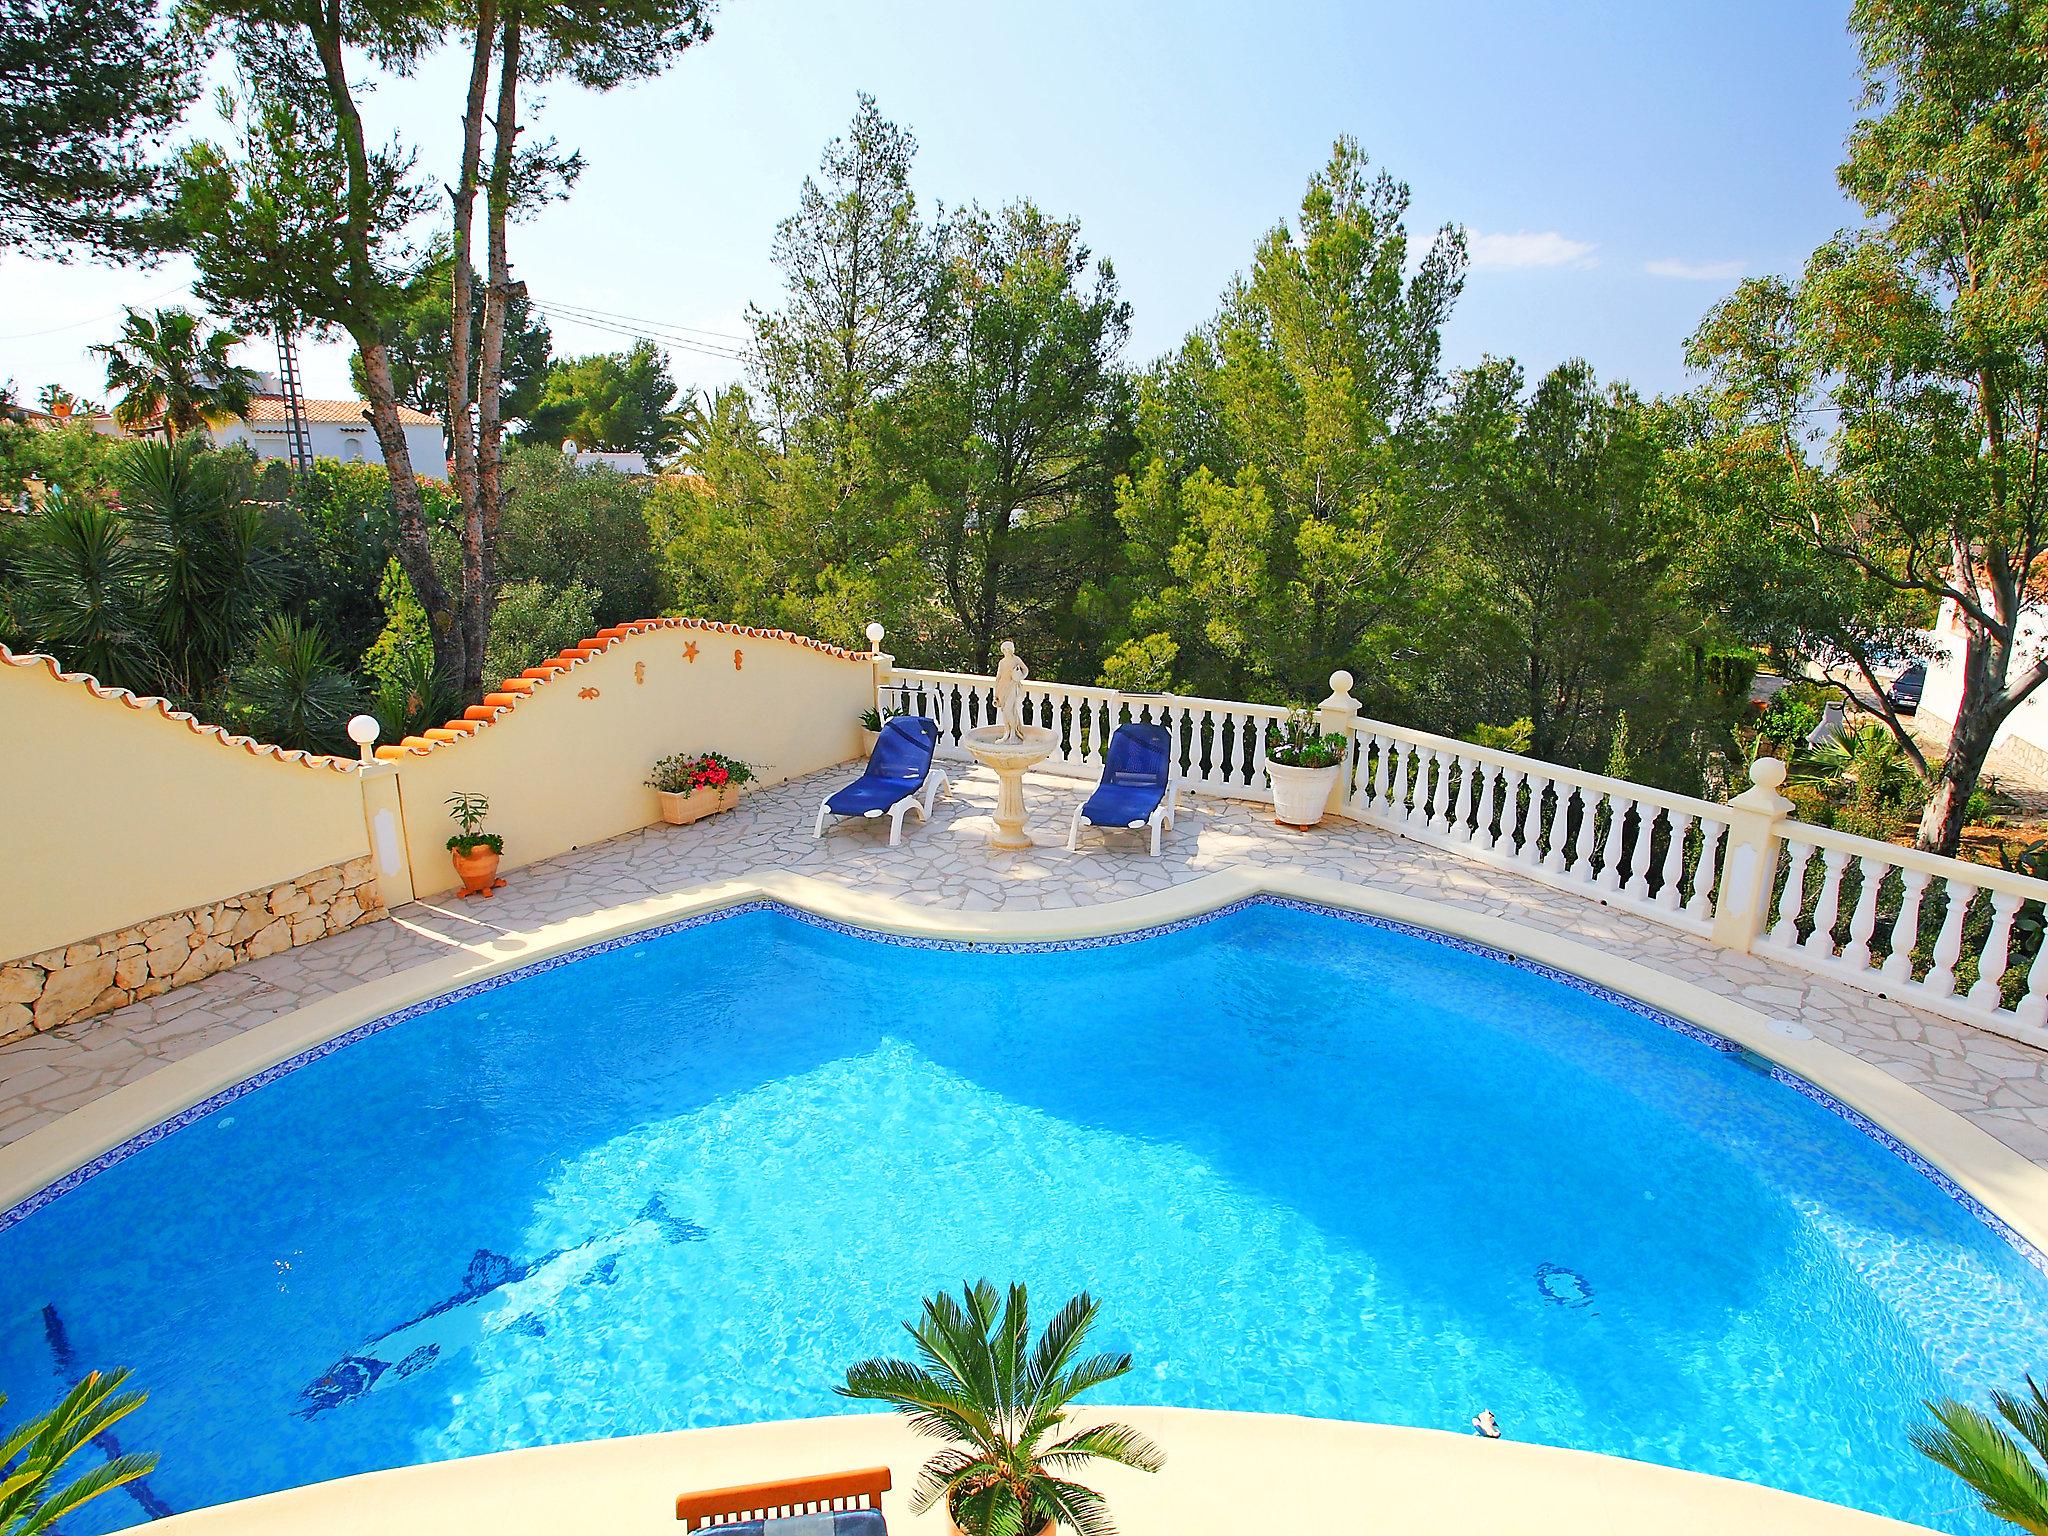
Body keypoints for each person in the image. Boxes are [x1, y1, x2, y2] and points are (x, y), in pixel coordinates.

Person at [992, 640, 1030, 743]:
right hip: (1002, 688)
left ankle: (1014, 732)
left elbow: (1025, 670)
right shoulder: (1002, 662)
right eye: (1004, 649)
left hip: (1012, 687)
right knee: (1004, 712)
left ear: (1011, 650)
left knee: (1009, 710)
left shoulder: (1016, 659)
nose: (1006, 651)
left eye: (1008, 649)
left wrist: (1020, 677)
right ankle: (1007, 732)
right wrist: (996, 693)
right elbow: (998, 677)